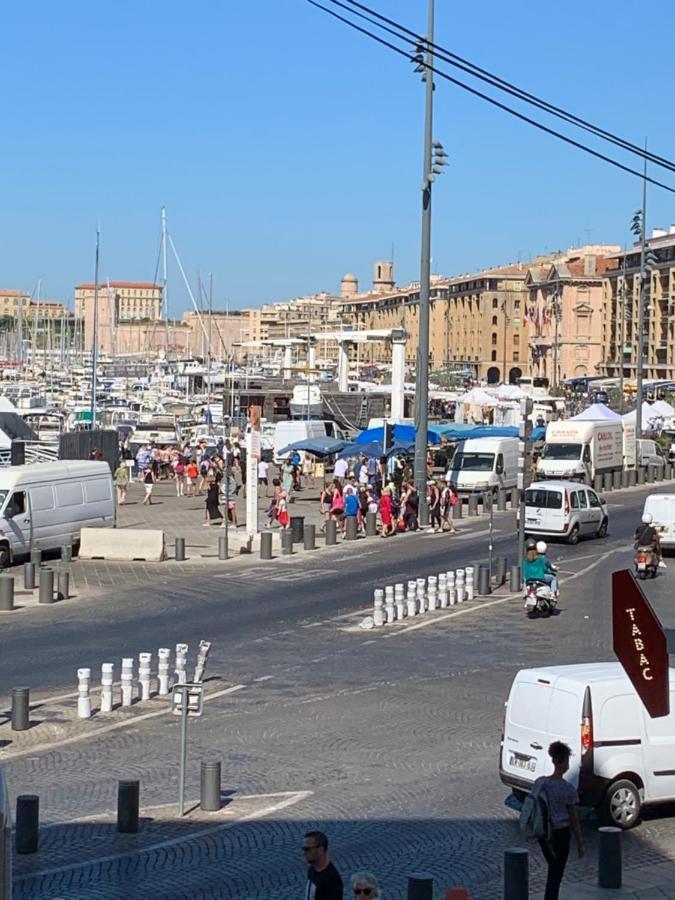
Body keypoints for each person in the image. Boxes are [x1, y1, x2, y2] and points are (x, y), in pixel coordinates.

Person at [535, 741, 585, 900]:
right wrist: (580, 843)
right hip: (561, 835)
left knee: (553, 869)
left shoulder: (541, 783)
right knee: (556, 873)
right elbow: (574, 820)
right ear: (563, 762)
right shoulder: (568, 789)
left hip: (544, 835)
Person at [303, 830, 343, 900]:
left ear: (321, 849)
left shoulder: (332, 880)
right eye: (304, 849)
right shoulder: (311, 870)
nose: (304, 853)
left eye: (307, 849)